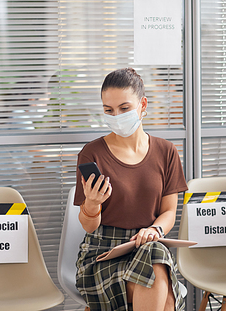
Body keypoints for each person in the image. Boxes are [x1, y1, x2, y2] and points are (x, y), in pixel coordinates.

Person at [74, 67, 188, 311]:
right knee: (163, 291)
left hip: (148, 242)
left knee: (155, 257)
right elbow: (88, 226)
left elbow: (169, 212)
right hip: (104, 252)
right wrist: (92, 204)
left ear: (143, 104)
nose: (116, 116)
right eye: (108, 110)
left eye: (124, 108)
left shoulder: (166, 152)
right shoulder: (91, 154)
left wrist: (155, 229)